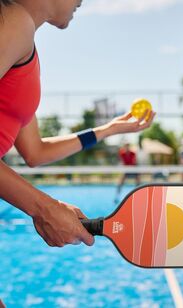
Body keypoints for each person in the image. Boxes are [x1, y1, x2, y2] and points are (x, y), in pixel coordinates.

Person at [0, 0, 155, 249]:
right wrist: (43, 208)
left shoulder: (23, 44)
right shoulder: (15, 22)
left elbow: (35, 152)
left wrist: (109, 130)